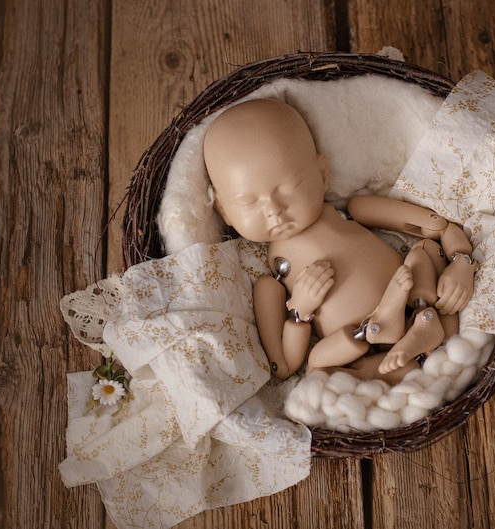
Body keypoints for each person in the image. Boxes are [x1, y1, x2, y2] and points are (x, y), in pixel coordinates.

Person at [204, 99, 476, 383]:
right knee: (317, 365)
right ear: (224, 212)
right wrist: (300, 311)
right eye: (248, 203)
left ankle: (418, 324)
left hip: (410, 294)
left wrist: (461, 262)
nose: (274, 209)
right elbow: (284, 365)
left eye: (289, 187)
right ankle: (399, 337)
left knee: (423, 253)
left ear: (322, 175)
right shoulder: (269, 286)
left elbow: (438, 227)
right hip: (354, 343)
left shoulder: (354, 209)